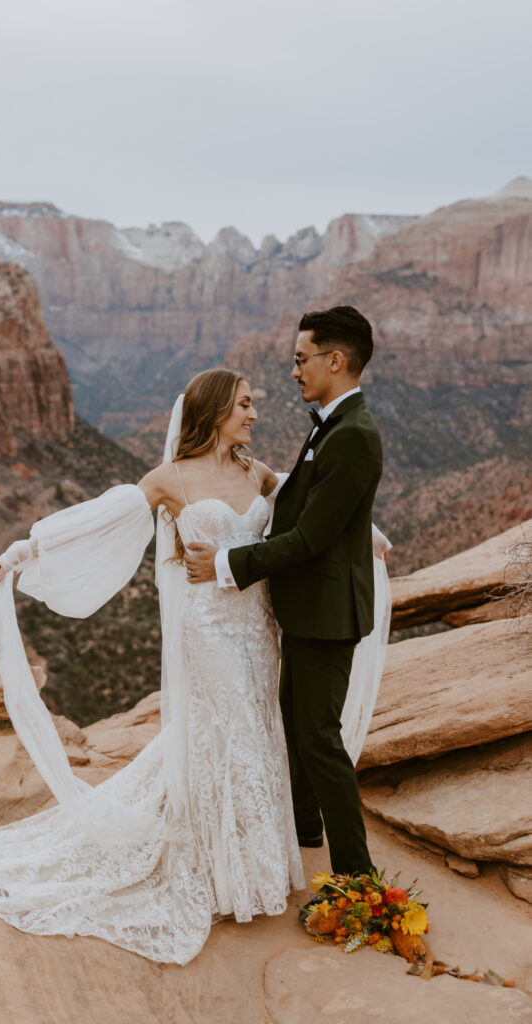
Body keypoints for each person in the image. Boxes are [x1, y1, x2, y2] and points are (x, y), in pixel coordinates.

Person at [0, 358, 390, 966]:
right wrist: (30, 546)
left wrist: (366, 534)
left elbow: (320, 504)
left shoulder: (258, 472)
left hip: (256, 628)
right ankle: (222, 873)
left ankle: (255, 866)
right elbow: (102, 514)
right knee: (230, 733)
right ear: (215, 411)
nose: (254, 413)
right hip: (206, 630)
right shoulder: (171, 479)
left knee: (257, 734)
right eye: (244, 404)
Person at [185, 306, 383, 876]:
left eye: (302, 360)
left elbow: (309, 539)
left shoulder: (352, 436)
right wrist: (369, 530)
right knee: (296, 724)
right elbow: (309, 500)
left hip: (326, 616)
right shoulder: (334, 427)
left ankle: (356, 876)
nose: (294, 372)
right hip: (306, 611)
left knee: (318, 738)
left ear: (335, 361)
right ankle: (302, 825)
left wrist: (227, 562)